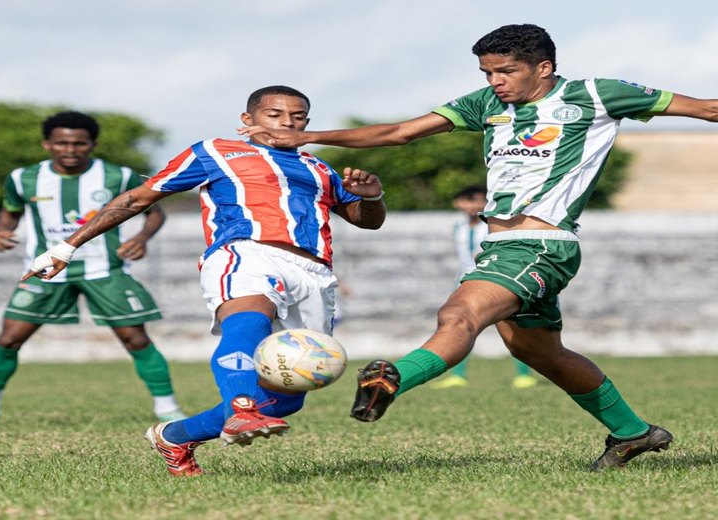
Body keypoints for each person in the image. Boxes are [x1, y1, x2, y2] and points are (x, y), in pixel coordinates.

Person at [240, 24, 718, 470]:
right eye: (488, 72)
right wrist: (309, 138)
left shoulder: (594, 95)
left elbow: (706, 108)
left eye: (505, 71)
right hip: (500, 246)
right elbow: (399, 133)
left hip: (542, 243)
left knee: (459, 315)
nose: (496, 81)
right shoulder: (486, 104)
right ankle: (633, 432)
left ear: (543, 68)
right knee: (539, 352)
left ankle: (391, 378)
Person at [21, 86, 386, 476]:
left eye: (297, 117)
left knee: (286, 400)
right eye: (275, 115)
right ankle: (241, 408)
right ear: (248, 120)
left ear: (307, 123)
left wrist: (371, 197)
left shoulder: (318, 167)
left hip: (314, 273)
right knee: (248, 320)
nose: (287, 123)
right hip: (246, 251)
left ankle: (175, 436)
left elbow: (368, 220)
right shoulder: (215, 151)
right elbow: (139, 198)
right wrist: (66, 248)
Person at [0, 111, 186, 427]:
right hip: (45, 270)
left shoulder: (119, 176)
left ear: (92, 144)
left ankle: (167, 409)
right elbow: (10, 211)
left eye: (78, 143)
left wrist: (142, 238)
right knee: (9, 338)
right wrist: (0, 232)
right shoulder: (23, 178)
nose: (70, 150)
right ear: (48, 144)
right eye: (62, 143)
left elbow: (154, 213)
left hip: (104, 269)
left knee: (136, 339)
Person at [429, 184, 537, 389]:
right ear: (458, 203)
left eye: (479, 200)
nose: (474, 205)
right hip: (464, 280)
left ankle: (524, 374)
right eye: (469, 200)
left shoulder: (491, 225)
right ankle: (458, 374)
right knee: (458, 327)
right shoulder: (457, 228)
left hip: (493, 279)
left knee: (513, 327)